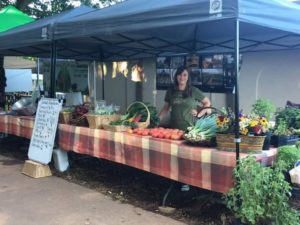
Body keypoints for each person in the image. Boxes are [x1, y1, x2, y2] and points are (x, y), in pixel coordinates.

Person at [158, 66, 211, 131]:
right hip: (174, 130)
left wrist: (199, 114)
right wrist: (157, 121)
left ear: (188, 77)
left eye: (185, 75)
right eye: (179, 74)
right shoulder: (171, 91)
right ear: (176, 76)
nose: (182, 77)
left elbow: (207, 102)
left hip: (191, 129)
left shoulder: (194, 90)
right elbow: (165, 108)